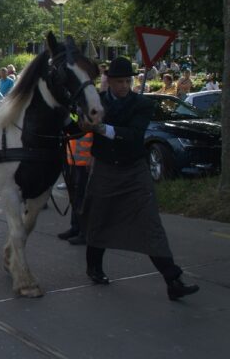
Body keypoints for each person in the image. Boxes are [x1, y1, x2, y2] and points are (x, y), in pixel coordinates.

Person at [79, 57, 199, 301]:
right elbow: (76, 122)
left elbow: (133, 136)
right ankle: (94, 267)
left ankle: (172, 279)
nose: (124, 86)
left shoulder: (142, 104)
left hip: (134, 170)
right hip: (104, 168)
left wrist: (99, 128)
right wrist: (79, 123)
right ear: (109, 81)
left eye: (127, 81)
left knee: (150, 222)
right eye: (119, 81)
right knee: (99, 219)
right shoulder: (96, 101)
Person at [57, 129, 93, 245]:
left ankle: (84, 233)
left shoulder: (90, 113)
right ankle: (75, 228)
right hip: (73, 159)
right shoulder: (75, 114)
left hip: (85, 163)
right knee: (75, 197)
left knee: (81, 198)